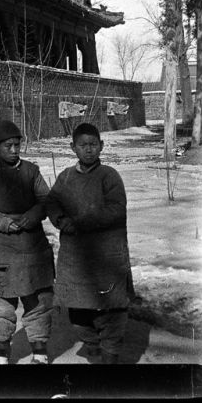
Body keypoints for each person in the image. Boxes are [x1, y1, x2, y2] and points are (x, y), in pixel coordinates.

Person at [0, 118, 56, 365]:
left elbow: (45, 200)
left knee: (38, 301)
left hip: (32, 246)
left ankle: (39, 352)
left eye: (17, 144)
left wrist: (32, 216)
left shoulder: (31, 171)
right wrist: (3, 222)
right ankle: (1, 355)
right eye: (8, 146)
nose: (14, 150)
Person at [44, 123, 132, 364]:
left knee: (110, 310)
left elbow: (116, 209)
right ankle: (92, 348)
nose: (89, 150)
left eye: (94, 145)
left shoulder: (109, 176)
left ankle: (110, 357)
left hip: (107, 255)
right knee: (79, 310)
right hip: (76, 258)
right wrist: (61, 220)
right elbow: (52, 202)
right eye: (83, 145)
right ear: (73, 148)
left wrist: (81, 222)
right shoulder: (65, 178)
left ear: (101, 146)